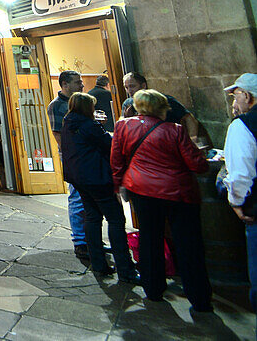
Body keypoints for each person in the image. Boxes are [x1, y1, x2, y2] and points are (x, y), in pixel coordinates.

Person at [111, 89, 212, 312]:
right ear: (161, 107)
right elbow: (197, 164)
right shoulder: (175, 130)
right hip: (178, 192)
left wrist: (118, 184)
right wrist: (202, 157)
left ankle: (153, 289)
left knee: (149, 238)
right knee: (188, 244)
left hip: (142, 190)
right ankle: (199, 297)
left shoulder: (123, 127)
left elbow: (116, 159)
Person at [60, 92, 138, 283]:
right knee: (116, 219)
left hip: (79, 178)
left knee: (92, 217)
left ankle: (98, 263)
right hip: (96, 177)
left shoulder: (68, 123)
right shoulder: (89, 126)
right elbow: (109, 145)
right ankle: (125, 268)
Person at [220, 73, 257, 327]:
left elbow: (241, 173)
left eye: (236, 96)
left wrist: (236, 202)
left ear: (247, 96)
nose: (234, 101)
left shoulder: (242, 126)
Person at [48, 70, 88, 261]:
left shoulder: (81, 102)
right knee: (76, 196)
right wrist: (72, 155)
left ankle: (91, 237)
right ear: (64, 84)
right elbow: (58, 134)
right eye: (78, 82)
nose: (82, 85)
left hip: (88, 155)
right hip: (74, 157)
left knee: (88, 197)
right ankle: (80, 240)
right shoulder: (56, 106)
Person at [120, 72, 201, 144]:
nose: (129, 90)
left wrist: (193, 138)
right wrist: (128, 120)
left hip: (170, 141)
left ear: (143, 85)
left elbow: (189, 118)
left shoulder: (163, 100)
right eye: (126, 87)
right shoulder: (128, 104)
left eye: (132, 86)